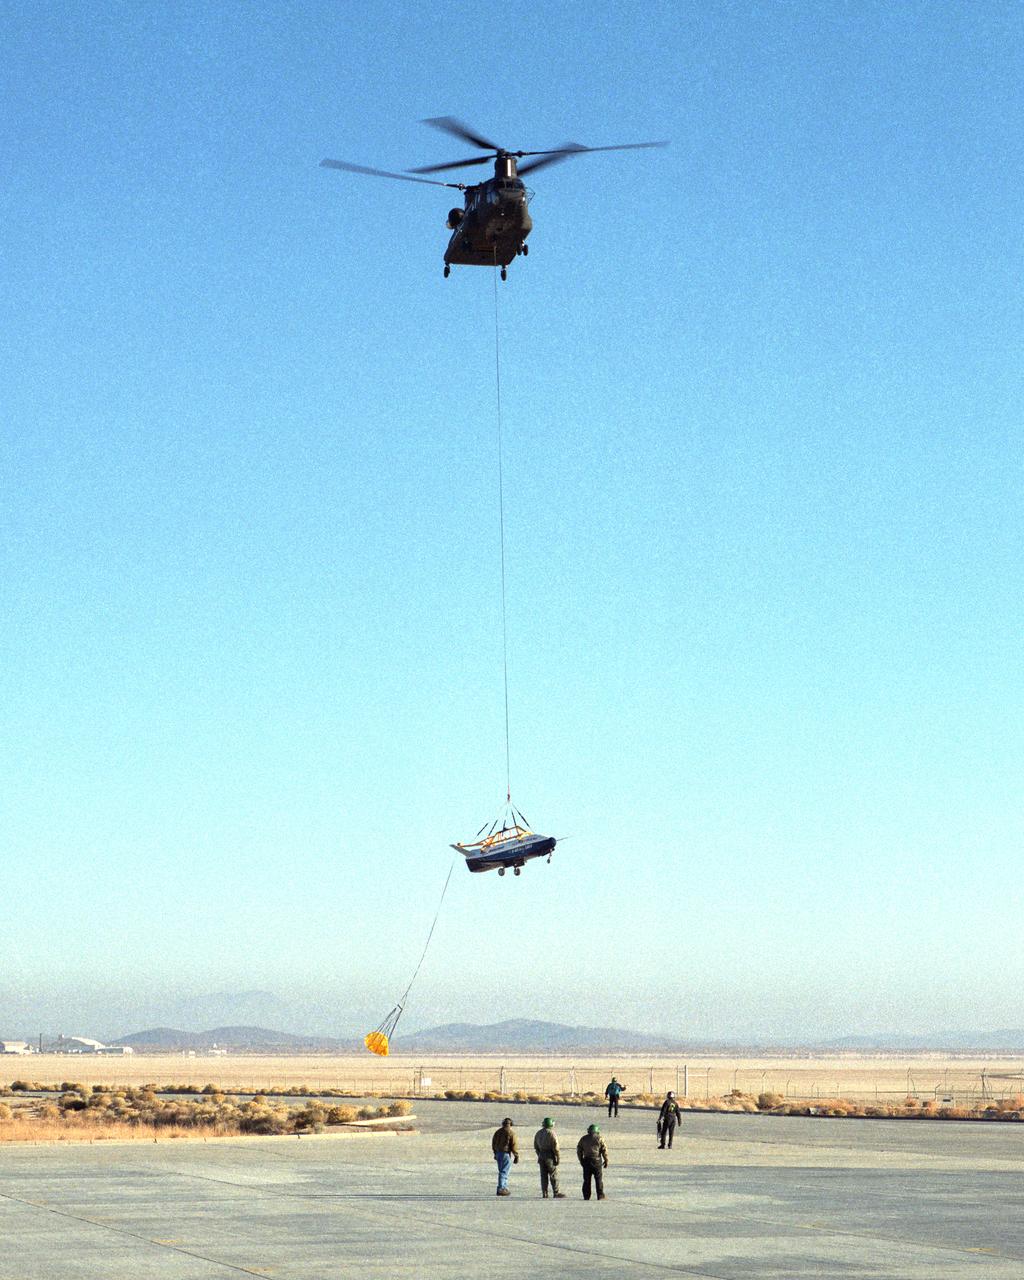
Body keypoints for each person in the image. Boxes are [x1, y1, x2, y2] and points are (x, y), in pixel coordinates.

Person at [533, 1116, 565, 1198]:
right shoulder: (552, 1133)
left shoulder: (538, 1133)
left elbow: (536, 1147)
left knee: (543, 1176)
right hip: (550, 1156)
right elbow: (556, 1147)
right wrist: (558, 1158)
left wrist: (539, 1155)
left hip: (541, 1155)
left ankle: (545, 1193)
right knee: (553, 1175)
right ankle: (556, 1192)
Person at [576, 1123, 609, 1200]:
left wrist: (581, 1160)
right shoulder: (600, 1138)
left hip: (587, 1160)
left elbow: (579, 1150)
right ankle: (600, 1195)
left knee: (586, 1179)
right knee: (598, 1179)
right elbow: (604, 1150)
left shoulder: (583, 1139)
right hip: (597, 1160)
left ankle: (586, 1196)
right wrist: (606, 1160)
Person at [491, 1116, 519, 1195]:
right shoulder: (511, 1133)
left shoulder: (498, 1132)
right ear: (511, 1124)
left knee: (501, 1171)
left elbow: (493, 1143)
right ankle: (501, 1188)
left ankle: (503, 1187)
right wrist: (516, 1156)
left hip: (498, 1153)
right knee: (504, 1172)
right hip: (505, 1154)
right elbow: (514, 1145)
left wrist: (495, 1153)